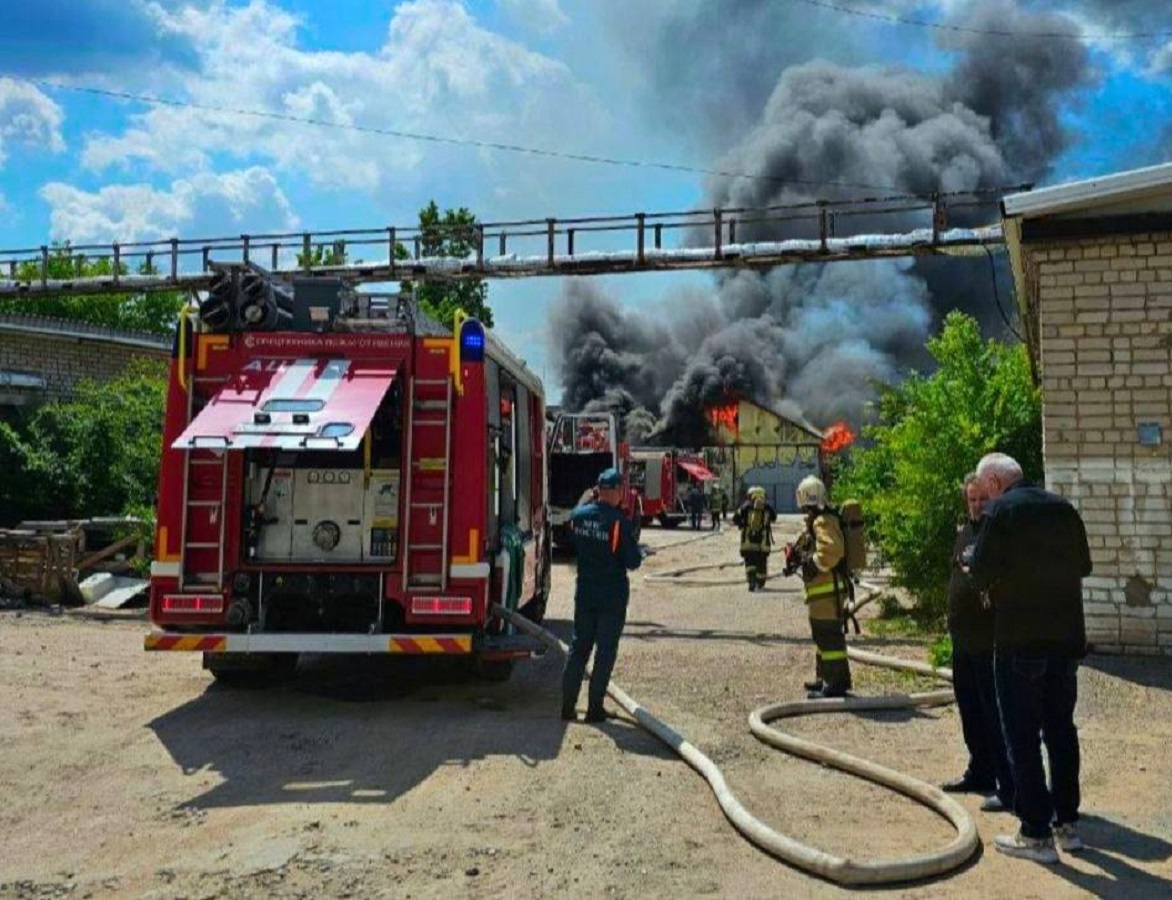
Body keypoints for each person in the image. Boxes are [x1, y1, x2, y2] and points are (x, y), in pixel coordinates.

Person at [970, 452, 1093, 864]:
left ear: (993, 481)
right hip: (1066, 643)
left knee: (1021, 736)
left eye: (983, 486)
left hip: (1020, 643)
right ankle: (1067, 824)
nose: (982, 493)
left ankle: (1036, 834)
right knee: (1061, 731)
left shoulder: (1000, 512)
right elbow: (1085, 566)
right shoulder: (1063, 508)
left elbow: (981, 572)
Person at [942, 473, 1015, 816]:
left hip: (989, 641)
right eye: (971, 500)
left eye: (982, 500)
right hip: (962, 639)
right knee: (969, 709)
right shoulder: (964, 533)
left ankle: (1006, 781)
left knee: (994, 713)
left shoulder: (997, 535)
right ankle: (980, 771)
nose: (976, 506)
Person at [561, 467, 643, 723]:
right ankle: (594, 708)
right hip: (611, 597)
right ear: (618, 492)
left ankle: (567, 707)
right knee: (605, 652)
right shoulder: (618, 522)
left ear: (598, 490)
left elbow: (571, 542)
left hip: (585, 593)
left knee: (579, 649)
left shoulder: (579, 516)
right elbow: (632, 562)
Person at [791, 475, 852, 699]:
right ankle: (824, 678)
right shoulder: (820, 519)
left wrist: (813, 565)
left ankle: (835, 684)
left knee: (829, 637)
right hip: (823, 593)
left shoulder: (822, 520)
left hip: (828, 591)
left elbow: (832, 551)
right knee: (822, 636)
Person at [733, 486, 776, 591]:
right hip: (763, 543)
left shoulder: (745, 506)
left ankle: (751, 581)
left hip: (748, 542)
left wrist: (742, 524)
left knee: (750, 562)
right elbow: (774, 518)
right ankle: (760, 583)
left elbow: (735, 518)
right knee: (761, 563)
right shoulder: (768, 507)